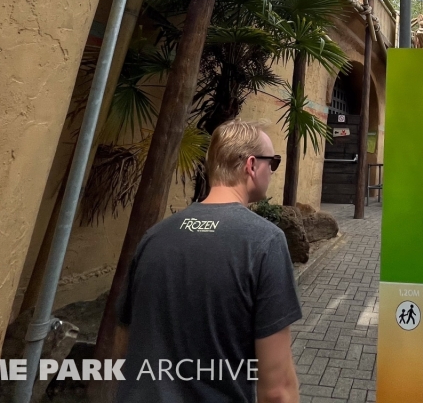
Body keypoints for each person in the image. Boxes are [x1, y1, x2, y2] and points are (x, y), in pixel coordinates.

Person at [115, 120, 301, 403]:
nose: (272, 171)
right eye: (272, 162)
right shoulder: (265, 242)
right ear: (251, 165)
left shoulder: (154, 237)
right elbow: (277, 390)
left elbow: (124, 348)